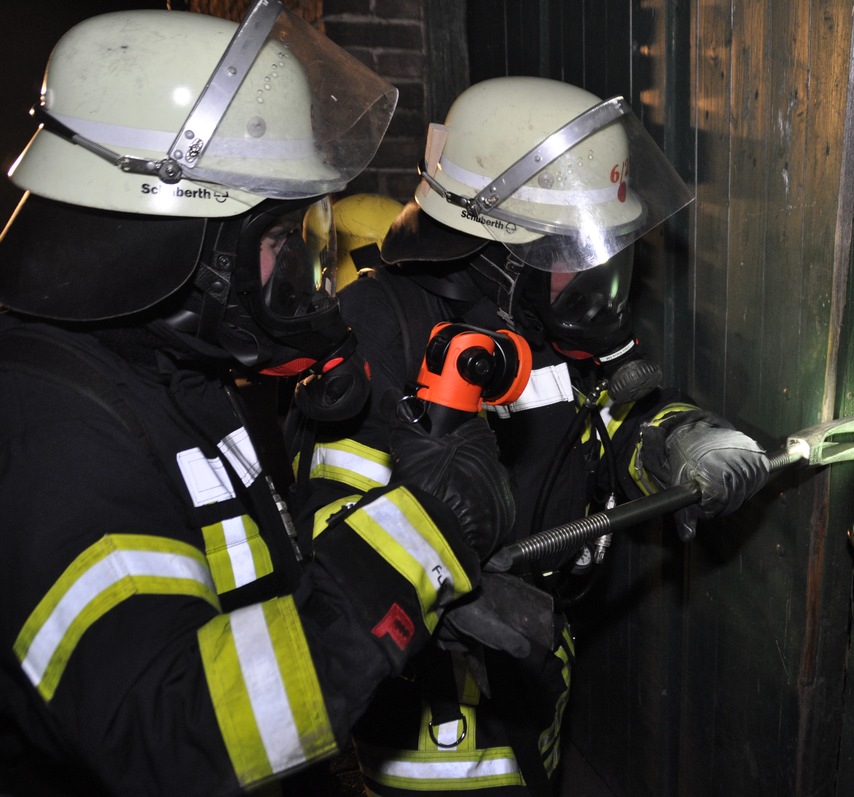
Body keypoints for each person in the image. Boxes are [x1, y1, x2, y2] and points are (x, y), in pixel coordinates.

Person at [0, 4, 514, 795]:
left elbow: (249, 606)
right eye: (286, 243)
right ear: (175, 239)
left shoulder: (171, 377)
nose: (309, 275)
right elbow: (177, 733)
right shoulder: (51, 432)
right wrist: (416, 539)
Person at [292, 76, 771, 795]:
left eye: (604, 253)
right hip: (430, 719)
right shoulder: (378, 329)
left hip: (539, 666)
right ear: (492, 252)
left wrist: (684, 440)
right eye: (573, 254)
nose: (597, 280)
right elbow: (332, 535)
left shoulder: (544, 323)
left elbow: (615, 416)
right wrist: (444, 595)